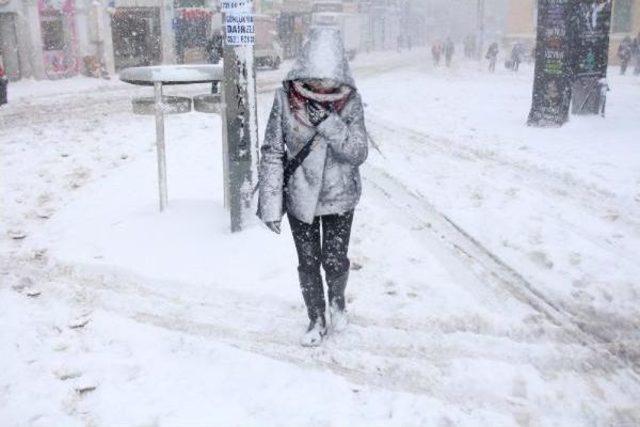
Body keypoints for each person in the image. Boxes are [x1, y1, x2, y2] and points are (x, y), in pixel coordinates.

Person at [257, 27, 368, 347]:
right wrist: (270, 203)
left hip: (339, 196)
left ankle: (337, 302)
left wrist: (329, 124)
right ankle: (316, 317)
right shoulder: (285, 98)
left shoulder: (350, 102)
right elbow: (273, 151)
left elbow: (358, 152)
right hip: (300, 198)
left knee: (334, 260)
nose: (322, 84)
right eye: (315, 76)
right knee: (308, 263)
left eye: (328, 77)